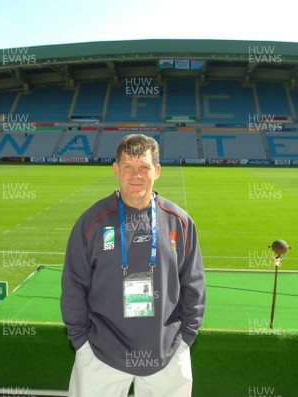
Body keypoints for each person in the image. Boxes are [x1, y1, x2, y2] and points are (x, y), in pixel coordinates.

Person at [61, 134, 206, 397]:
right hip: (100, 355)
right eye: (128, 166)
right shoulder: (92, 221)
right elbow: (73, 285)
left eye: (144, 167)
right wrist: (82, 344)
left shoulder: (179, 222)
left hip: (166, 355)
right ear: (116, 169)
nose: (135, 175)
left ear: (157, 171)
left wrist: (185, 340)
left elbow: (193, 286)